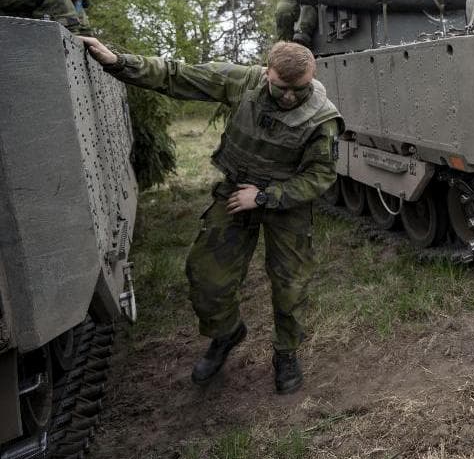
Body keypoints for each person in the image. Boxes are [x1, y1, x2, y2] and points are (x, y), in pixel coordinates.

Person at [79, 37, 343, 394]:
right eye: (282, 87)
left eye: (300, 89)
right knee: (205, 277)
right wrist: (117, 62)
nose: (290, 97)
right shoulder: (243, 82)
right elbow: (178, 75)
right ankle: (226, 333)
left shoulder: (321, 118)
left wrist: (265, 196)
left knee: (290, 287)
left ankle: (286, 353)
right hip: (236, 192)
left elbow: (320, 176)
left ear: (311, 77)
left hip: (285, 203)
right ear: (267, 73)